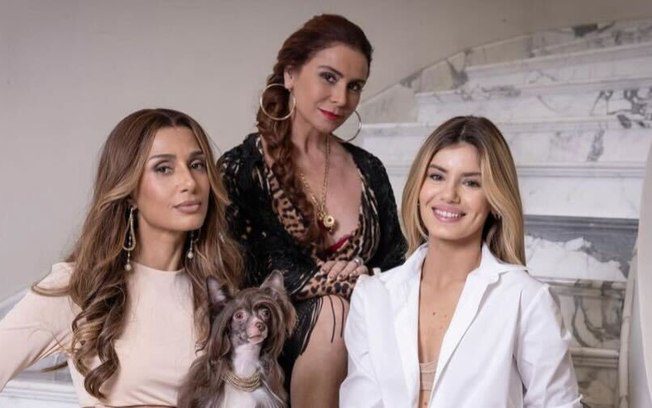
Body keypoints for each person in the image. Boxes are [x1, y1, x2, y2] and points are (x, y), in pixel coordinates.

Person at [220, 14, 407, 407]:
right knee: (332, 310)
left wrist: (364, 278)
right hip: (268, 345)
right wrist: (338, 283)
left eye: (354, 86)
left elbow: (395, 267)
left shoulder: (369, 170)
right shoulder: (243, 169)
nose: (341, 98)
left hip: (366, 342)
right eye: (329, 77)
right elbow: (246, 274)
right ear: (290, 74)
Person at [0, 108, 242, 406]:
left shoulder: (221, 291)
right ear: (128, 191)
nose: (190, 182)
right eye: (163, 168)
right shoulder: (78, 289)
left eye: (197, 165)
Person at [340, 116, 582, 407]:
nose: (449, 195)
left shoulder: (525, 299)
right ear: (419, 187)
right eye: (437, 176)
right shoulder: (373, 296)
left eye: (471, 182)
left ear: (494, 200)